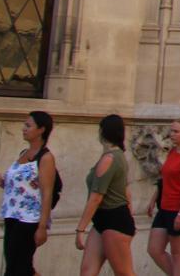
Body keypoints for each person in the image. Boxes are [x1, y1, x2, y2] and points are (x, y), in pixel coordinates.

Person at [0, 111, 57, 276]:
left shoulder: (46, 157)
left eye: (28, 125)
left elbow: (47, 193)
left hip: (29, 219)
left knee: (16, 268)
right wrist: (2, 182)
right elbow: (22, 187)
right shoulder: (23, 154)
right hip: (12, 215)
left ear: (41, 129)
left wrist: (42, 226)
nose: (23, 129)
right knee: (21, 266)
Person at [76, 114, 136, 276]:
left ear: (102, 131)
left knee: (124, 272)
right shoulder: (113, 157)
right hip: (103, 220)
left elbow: (96, 197)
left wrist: (80, 229)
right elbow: (125, 189)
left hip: (115, 219)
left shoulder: (110, 158)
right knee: (87, 271)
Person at [147, 120, 180, 275]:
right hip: (165, 208)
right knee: (154, 249)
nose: (172, 134)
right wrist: (153, 200)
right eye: (172, 131)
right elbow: (164, 179)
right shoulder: (173, 152)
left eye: (176, 131)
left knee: (179, 255)